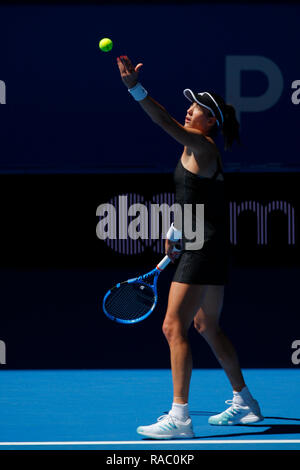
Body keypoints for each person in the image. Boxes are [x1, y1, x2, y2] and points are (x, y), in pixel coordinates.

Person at [116, 55, 264, 439]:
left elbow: (162, 120)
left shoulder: (202, 146)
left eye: (196, 108)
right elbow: (195, 198)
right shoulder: (193, 149)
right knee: (206, 324)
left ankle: (180, 418)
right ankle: (244, 402)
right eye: (190, 106)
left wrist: (135, 88)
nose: (188, 110)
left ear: (210, 120)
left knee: (172, 326)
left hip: (205, 248)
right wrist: (176, 227)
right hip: (205, 242)